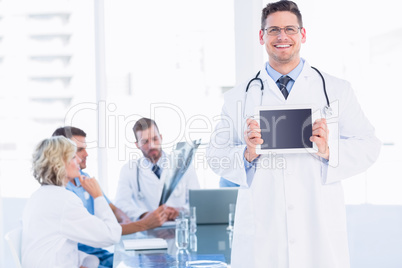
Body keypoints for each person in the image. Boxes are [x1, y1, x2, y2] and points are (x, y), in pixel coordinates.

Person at [206, 1, 381, 268]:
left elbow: (370, 146)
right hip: (263, 237)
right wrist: (247, 153)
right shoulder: (238, 98)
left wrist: (328, 150)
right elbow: (215, 156)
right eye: (273, 29)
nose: (282, 36)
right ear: (262, 36)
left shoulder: (336, 90)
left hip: (318, 233)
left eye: (290, 29)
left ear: (303, 34)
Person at [52, 126, 167, 268]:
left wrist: (125, 220)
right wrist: (145, 223)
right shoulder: (63, 194)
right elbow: (103, 233)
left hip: (99, 253)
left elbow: (111, 208)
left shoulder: (83, 178)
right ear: (64, 155)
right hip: (80, 258)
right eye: (80, 150)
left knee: (146, 263)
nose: (87, 154)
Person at [21, 136, 122, 268]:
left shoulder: (38, 196)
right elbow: (111, 235)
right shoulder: (64, 200)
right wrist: (98, 196)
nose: (79, 160)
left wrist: (84, 263)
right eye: (74, 157)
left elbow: (56, 245)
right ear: (60, 163)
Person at [115, 118, 200, 221]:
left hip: (178, 230)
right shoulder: (129, 170)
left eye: (155, 139)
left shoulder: (183, 165)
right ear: (137, 145)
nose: (151, 145)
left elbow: (196, 202)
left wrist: (179, 211)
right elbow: (121, 204)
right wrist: (146, 215)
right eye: (145, 142)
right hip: (147, 233)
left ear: (161, 138)